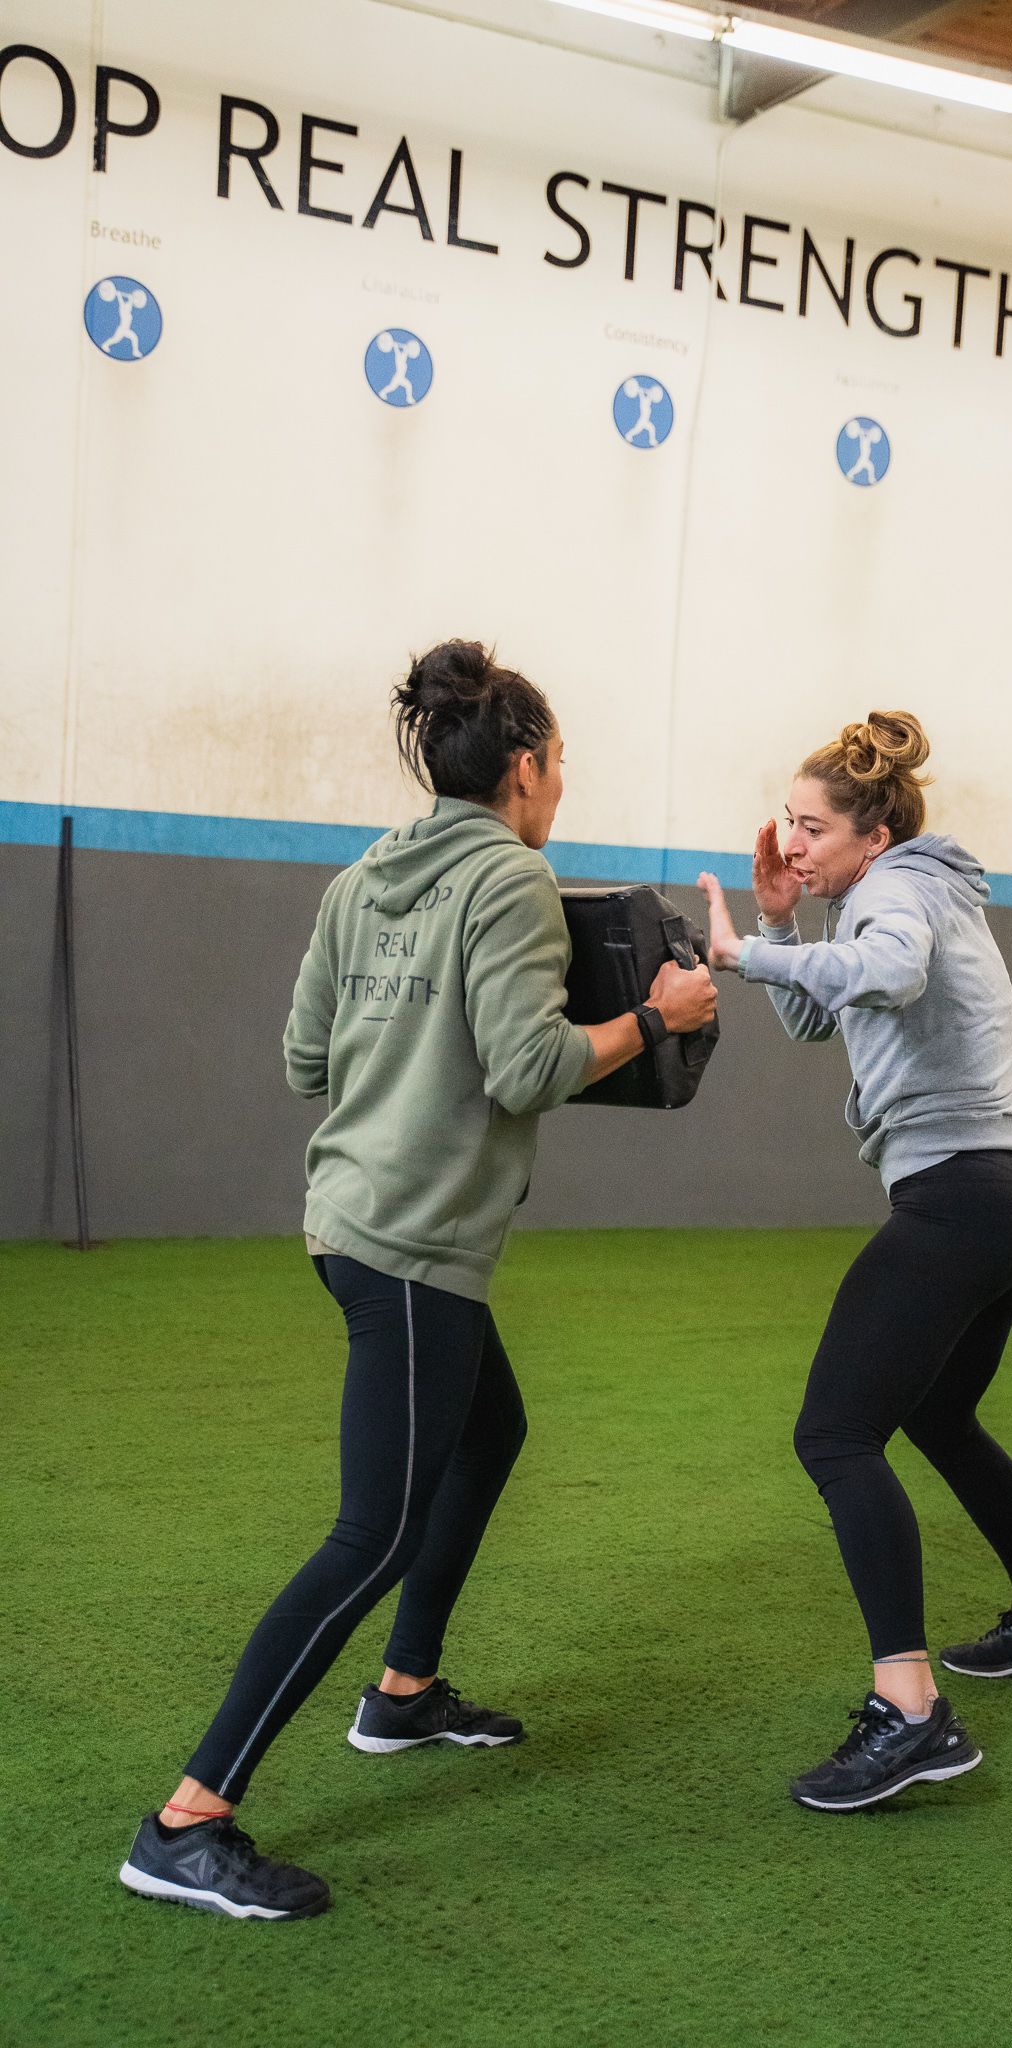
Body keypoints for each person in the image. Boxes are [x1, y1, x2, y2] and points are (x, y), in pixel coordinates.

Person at [119, 640, 717, 1917]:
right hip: (408, 1251)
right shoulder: (510, 878)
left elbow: (305, 1060)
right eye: (558, 763)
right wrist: (662, 1016)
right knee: (372, 1530)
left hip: (352, 1222)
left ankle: (403, 1691)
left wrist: (407, 1061)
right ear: (522, 767)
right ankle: (188, 1817)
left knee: (489, 1428)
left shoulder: (365, 877)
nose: (561, 786)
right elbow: (530, 1067)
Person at [698, 711, 1012, 1815]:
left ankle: (912, 1710)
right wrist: (785, 924)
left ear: (871, 835)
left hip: (961, 1202)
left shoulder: (898, 897)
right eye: (788, 821)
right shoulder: (896, 887)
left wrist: (743, 950)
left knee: (834, 1433)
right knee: (936, 1414)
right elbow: (815, 1021)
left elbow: (886, 967)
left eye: (812, 827)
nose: (793, 841)